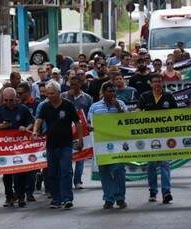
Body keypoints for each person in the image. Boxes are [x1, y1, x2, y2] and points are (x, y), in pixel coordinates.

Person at [33, 81, 83, 209]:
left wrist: (81, 139)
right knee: (52, 173)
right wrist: (35, 131)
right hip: (51, 145)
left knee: (65, 172)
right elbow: (39, 120)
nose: (49, 96)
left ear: (59, 93)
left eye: (52, 93)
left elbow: (77, 123)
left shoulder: (68, 105)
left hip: (66, 144)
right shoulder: (45, 106)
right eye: (47, 94)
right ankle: (56, 199)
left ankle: (67, 198)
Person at [0, 88, 33, 208]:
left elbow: (31, 122)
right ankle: (9, 197)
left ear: (16, 98)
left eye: (11, 100)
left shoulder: (23, 109)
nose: (8, 102)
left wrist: (25, 127)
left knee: (20, 173)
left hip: (20, 147)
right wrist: (2, 126)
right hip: (5, 148)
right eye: (6, 100)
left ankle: (20, 196)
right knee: (7, 174)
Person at [138, 73, 177, 203]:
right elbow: (137, 114)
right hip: (149, 136)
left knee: (165, 164)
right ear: (150, 83)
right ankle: (153, 192)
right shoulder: (144, 97)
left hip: (165, 136)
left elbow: (177, 115)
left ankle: (166, 192)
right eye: (154, 81)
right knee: (151, 165)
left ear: (162, 82)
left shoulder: (169, 97)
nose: (157, 84)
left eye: (159, 81)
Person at [88, 81, 128, 209]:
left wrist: (119, 109)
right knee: (104, 171)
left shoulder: (120, 104)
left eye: (113, 91)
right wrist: (89, 126)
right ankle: (108, 198)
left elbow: (128, 121)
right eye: (109, 91)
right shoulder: (95, 107)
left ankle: (120, 197)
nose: (112, 93)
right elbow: (89, 123)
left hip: (117, 143)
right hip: (101, 144)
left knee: (119, 170)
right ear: (103, 92)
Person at [61, 76, 92, 189]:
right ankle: (68, 180)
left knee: (81, 156)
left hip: (81, 130)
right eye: (71, 84)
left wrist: (88, 124)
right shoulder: (63, 96)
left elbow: (89, 115)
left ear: (80, 84)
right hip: (66, 130)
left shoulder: (87, 98)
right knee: (67, 156)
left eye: (75, 84)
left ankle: (78, 181)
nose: (73, 86)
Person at [16, 82, 40, 202]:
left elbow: (38, 119)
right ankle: (19, 192)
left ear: (28, 92)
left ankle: (29, 192)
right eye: (17, 93)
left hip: (33, 141)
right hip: (18, 142)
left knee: (31, 167)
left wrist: (30, 128)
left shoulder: (36, 104)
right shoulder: (17, 105)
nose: (18, 96)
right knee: (19, 167)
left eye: (20, 93)